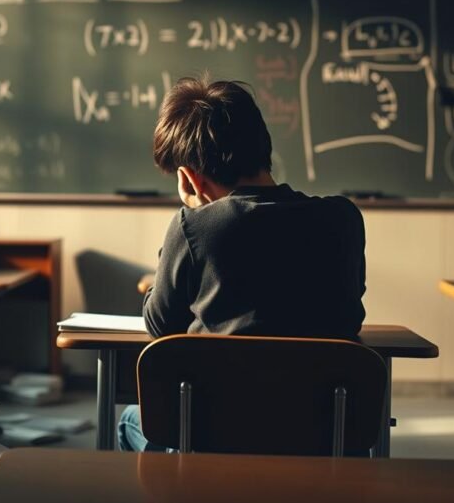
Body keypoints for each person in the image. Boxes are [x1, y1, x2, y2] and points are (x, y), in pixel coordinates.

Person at [118, 76, 367, 452]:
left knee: (128, 421)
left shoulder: (193, 227)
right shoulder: (343, 219)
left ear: (190, 177)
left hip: (211, 437)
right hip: (322, 436)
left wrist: (192, 217)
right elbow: (350, 316)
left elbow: (159, 327)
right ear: (262, 145)